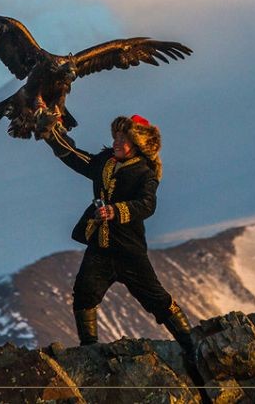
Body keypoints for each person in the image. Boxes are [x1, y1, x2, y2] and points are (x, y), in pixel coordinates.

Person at [43, 114, 198, 368]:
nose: (117, 142)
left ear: (137, 143)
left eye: (123, 138)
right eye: (116, 136)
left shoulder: (145, 173)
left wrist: (116, 211)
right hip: (100, 248)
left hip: (130, 252)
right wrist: (51, 136)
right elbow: (77, 158)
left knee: (157, 299)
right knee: (84, 293)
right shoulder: (104, 162)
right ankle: (89, 350)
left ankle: (191, 347)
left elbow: (148, 205)